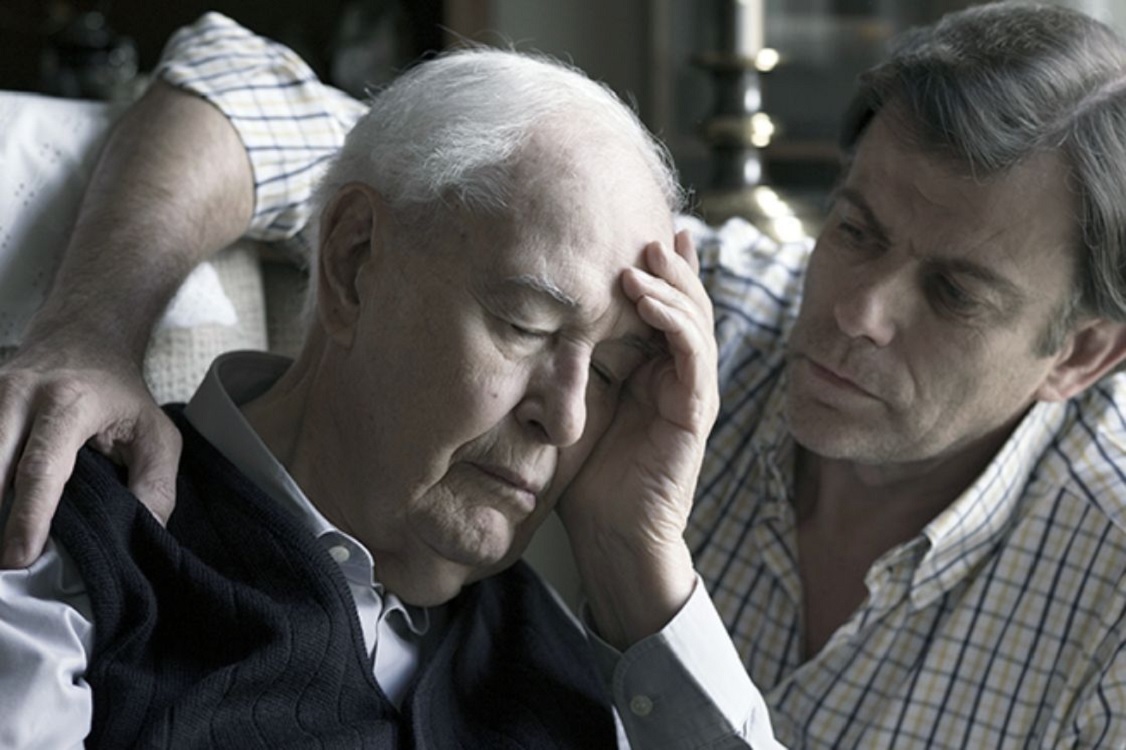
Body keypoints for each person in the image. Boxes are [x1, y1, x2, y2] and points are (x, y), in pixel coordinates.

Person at [3, 2, 1126, 747]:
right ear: (349, 265)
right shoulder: (689, 299)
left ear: (1079, 356)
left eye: (955, 295)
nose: (853, 315)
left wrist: (641, 567)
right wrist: (93, 333)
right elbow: (251, 89)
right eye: (859, 231)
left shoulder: (1109, 585)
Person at [0, 36, 725, 749]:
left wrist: (638, 561)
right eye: (524, 325)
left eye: (607, 374)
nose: (566, 419)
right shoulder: (67, 522)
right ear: (353, 263)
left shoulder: (571, 661)